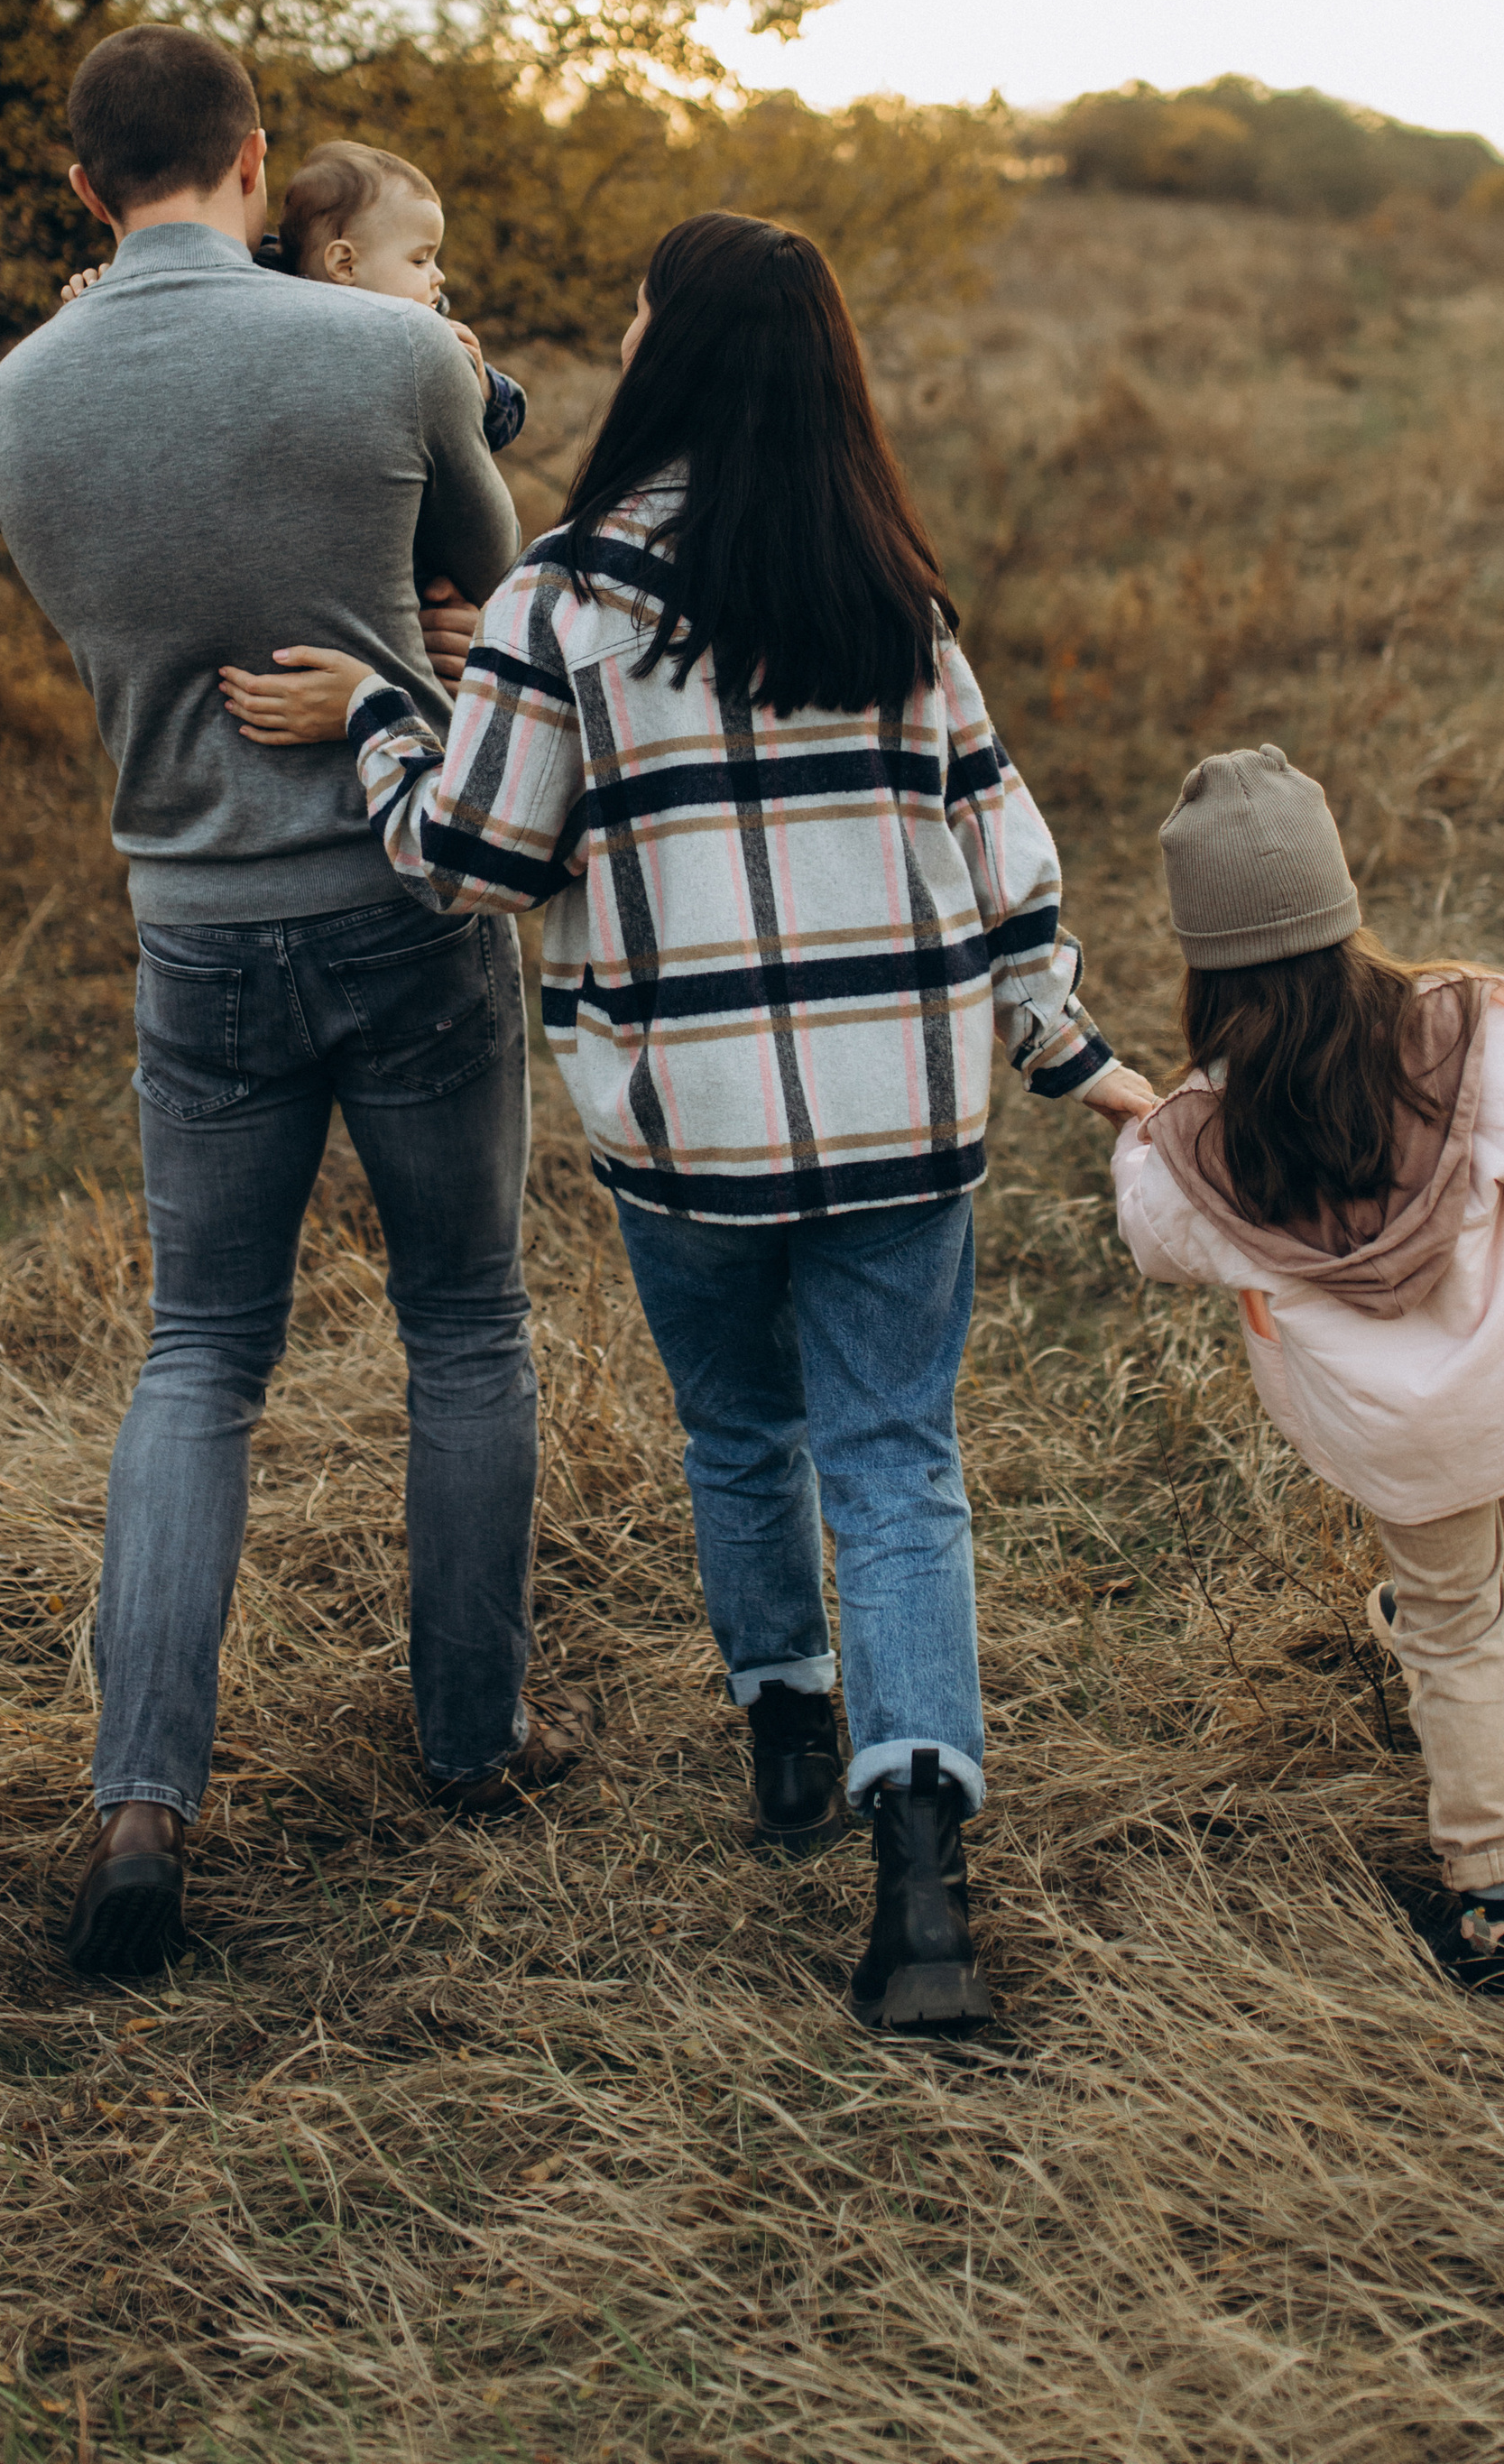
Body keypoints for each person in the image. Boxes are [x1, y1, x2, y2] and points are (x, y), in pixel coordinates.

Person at [219, 211, 1156, 2032]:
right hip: (902, 1113)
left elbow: (473, 860)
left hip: (688, 1131)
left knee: (741, 1438)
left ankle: (787, 1725)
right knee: (897, 1467)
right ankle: (921, 1896)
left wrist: (381, 721)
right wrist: (1059, 1045)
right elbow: (1000, 846)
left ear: (669, 356)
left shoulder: (566, 599)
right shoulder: (891, 588)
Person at [0, 23, 561, 1986]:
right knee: (464, 1321)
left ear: (83, 191)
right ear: (251, 163)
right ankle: (473, 1744)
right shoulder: (387, 352)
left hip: (192, 930)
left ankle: (141, 1801)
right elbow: (493, 585)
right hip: (401, 894)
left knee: (196, 1352)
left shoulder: (13, 407)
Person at [1110, 746, 1504, 2007]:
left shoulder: (1207, 1140)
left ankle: (1501, 1920)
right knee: (1484, 1606)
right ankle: (1494, 1870)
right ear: (1341, 909)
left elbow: (1153, 1234)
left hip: (1403, 1444)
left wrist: (1151, 1119)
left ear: (1202, 963)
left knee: (1460, 1628)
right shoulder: (1462, 1042)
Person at [62, 134, 531, 455]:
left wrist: (483, 389)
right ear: (344, 264)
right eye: (420, 259)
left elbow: (499, 424)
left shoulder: (429, 331)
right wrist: (106, 297)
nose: (439, 276)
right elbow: (176, 312)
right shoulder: (254, 294)